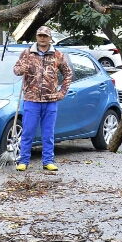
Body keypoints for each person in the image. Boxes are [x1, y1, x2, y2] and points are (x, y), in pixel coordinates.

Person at [12, 26, 72, 173]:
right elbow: (16, 70)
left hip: (50, 100)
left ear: (50, 38)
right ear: (36, 37)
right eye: (40, 35)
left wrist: (62, 93)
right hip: (31, 100)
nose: (42, 38)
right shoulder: (27, 53)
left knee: (48, 133)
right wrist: (22, 69)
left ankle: (48, 161)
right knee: (28, 132)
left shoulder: (58, 55)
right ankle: (23, 161)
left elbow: (68, 74)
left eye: (45, 36)